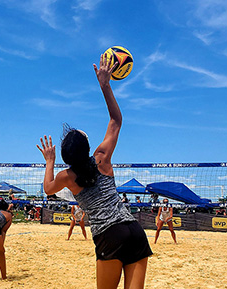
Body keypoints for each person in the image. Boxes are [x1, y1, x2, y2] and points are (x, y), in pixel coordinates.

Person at [36, 54, 152, 289]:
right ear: (87, 148)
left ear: (66, 157)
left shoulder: (67, 176)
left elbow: (48, 189)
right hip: (133, 229)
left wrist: (49, 160)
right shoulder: (101, 158)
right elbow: (116, 120)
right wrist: (105, 85)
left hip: (110, 236)